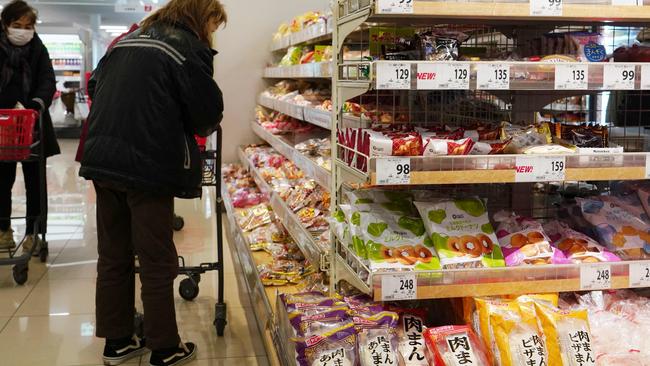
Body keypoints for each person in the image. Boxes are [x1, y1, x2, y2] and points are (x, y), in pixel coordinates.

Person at [79, 0, 225, 364]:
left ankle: (118, 342)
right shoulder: (187, 47)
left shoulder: (128, 41)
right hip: (147, 165)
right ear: (200, 16)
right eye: (213, 22)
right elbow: (207, 112)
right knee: (157, 258)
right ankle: (164, 347)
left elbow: (95, 87)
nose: (212, 30)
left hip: (102, 159)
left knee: (113, 255)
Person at [0, 0, 58, 253]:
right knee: (2, 182)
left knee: (37, 184)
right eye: (16, 25)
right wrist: (10, 102)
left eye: (27, 26)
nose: (22, 31)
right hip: (3, 125)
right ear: (5, 25)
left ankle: (35, 234)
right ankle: (3, 231)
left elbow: (48, 80)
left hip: (33, 126)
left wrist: (35, 104)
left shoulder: (38, 48)